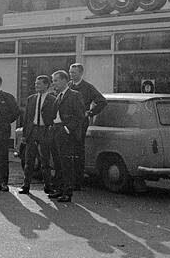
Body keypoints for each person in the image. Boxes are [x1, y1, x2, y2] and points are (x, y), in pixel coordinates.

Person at [68, 63, 107, 189]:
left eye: (74, 72)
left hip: (80, 123)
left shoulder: (88, 87)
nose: (71, 75)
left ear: (81, 73)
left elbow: (102, 101)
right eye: (70, 72)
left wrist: (90, 113)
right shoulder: (68, 86)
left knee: (78, 150)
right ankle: (68, 179)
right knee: (68, 150)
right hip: (67, 122)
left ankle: (78, 181)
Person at [49, 70, 85, 203]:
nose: (54, 83)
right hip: (56, 130)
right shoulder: (58, 96)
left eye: (56, 80)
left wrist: (68, 129)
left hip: (66, 132)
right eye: (53, 81)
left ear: (64, 80)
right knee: (58, 162)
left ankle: (67, 192)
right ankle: (59, 189)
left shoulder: (74, 95)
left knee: (66, 163)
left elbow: (80, 115)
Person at [19, 75, 56, 195]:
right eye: (36, 83)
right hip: (32, 130)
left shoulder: (52, 99)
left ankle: (48, 185)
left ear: (46, 85)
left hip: (45, 130)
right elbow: (26, 118)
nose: (36, 85)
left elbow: (54, 116)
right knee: (29, 160)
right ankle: (26, 185)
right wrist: (24, 134)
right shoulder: (31, 99)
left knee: (45, 160)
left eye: (39, 84)